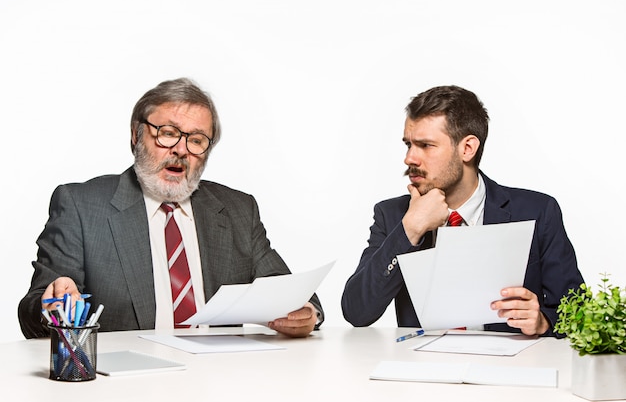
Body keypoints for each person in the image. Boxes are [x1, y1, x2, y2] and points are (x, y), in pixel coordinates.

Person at [19, 78, 323, 339]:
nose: (180, 149)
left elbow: (298, 296)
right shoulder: (81, 206)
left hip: (220, 379)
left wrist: (306, 314)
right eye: (167, 133)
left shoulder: (238, 210)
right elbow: (32, 313)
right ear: (136, 134)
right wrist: (52, 305)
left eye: (197, 139)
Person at [341, 85, 583, 336]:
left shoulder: (537, 211)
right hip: (420, 368)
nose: (410, 158)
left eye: (425, 145)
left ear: (467, 149)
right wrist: (410, 229)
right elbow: (357, 312)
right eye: (408, 145)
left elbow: (578, 311)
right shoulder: (392, 215)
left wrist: (543, 320)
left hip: (509, 368)